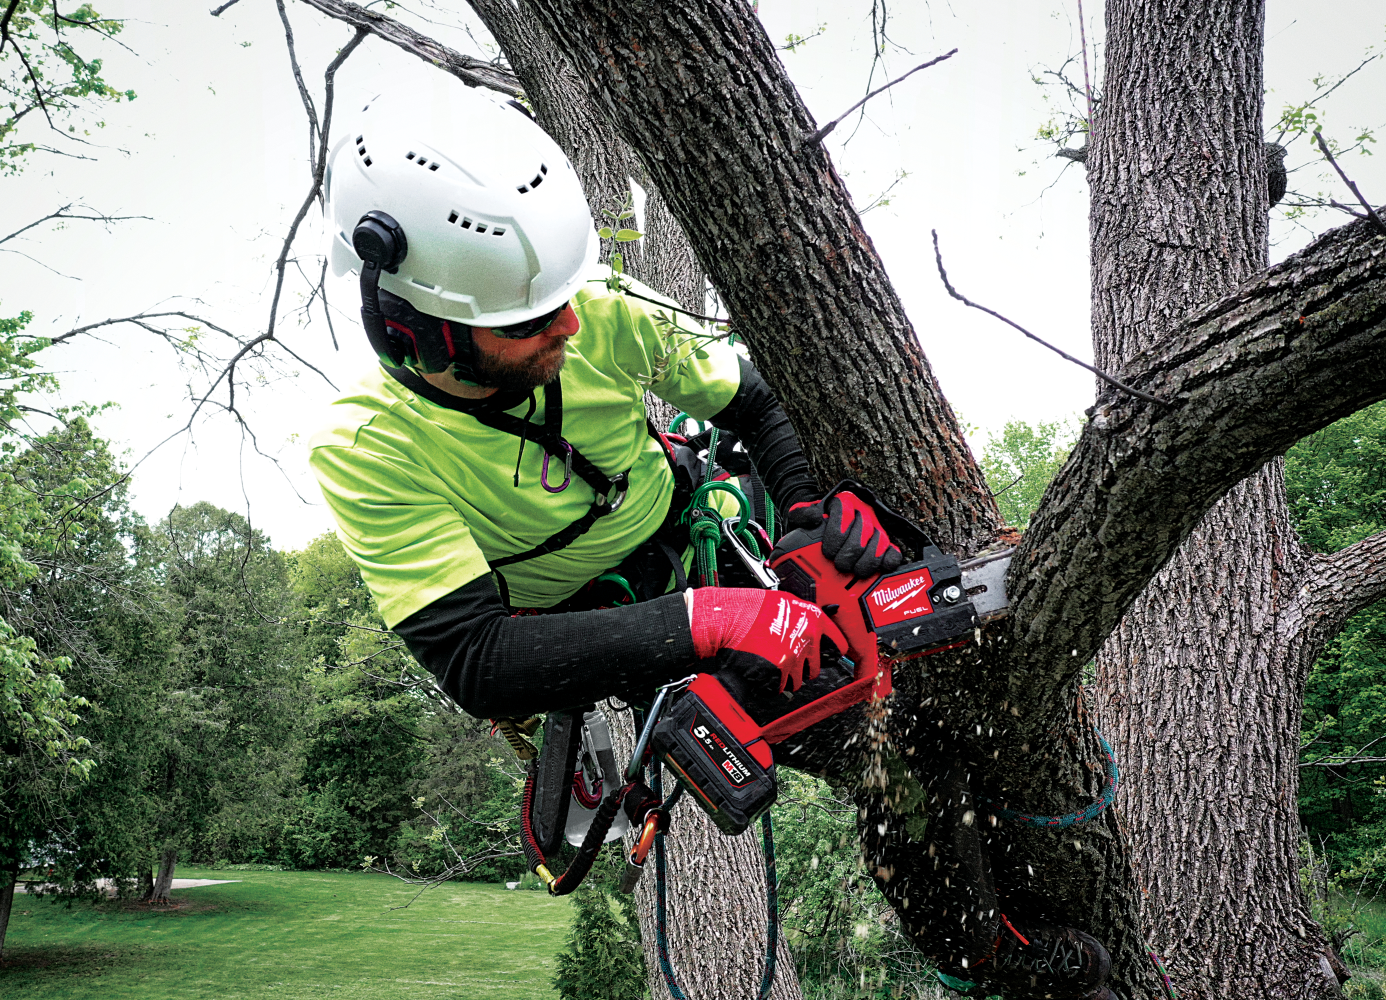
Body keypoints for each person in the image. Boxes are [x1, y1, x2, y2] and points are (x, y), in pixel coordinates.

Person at [309, 81, 1115, 1000]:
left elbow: (756, 400)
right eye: (530, 322)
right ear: (419, 331)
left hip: (704, 532)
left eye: (563, 301)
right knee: (892, 753)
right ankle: (991, 960)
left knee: (903, 620)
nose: (569, 325)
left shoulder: (598, 311)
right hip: (617, 633)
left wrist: (809, 514)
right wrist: (712, 622)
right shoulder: (369, 447)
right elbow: (476, 658)